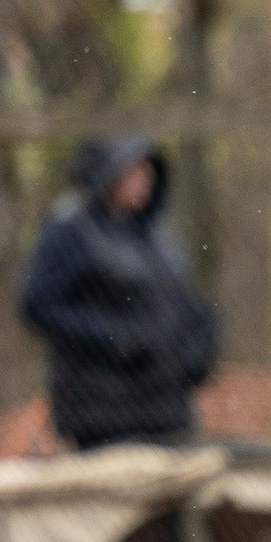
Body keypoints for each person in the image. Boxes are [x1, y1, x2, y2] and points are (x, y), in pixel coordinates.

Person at [19, 137, 219, 451]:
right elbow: (38, 305)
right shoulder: (72, 230)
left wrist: (199, 345)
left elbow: (182, 305)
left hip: (167, 409)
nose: (143, 183)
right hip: (102, 412)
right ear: (109, 174)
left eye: (147, 173)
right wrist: (115, 339)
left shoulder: (158, 237)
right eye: (133, 173)